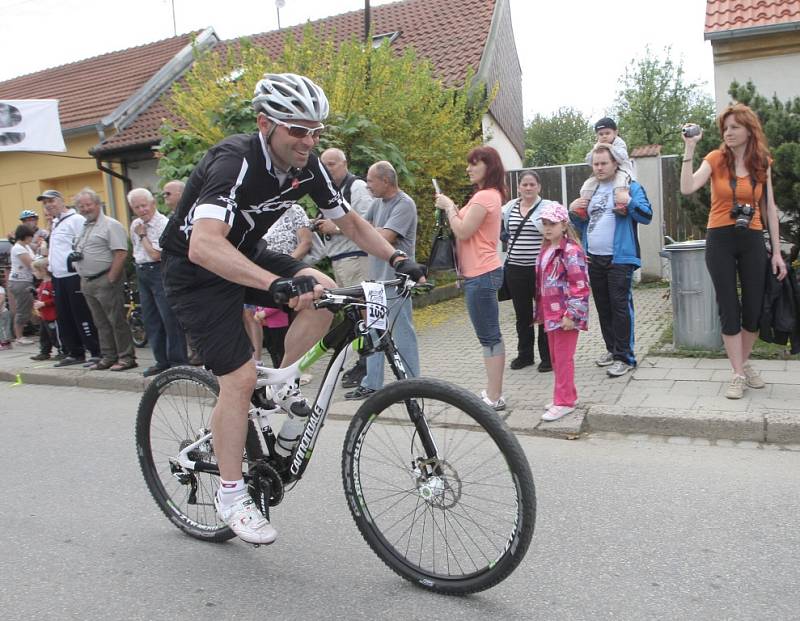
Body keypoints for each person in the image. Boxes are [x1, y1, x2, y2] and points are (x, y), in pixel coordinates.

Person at [158, 73, 425, 545]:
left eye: (316, 131)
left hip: (245, 251)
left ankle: (281, 381)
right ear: (265, 124)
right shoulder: (234, 161)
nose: (308, 140)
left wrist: (397, 257)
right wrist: (275, 285)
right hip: (196, 270)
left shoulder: (308, 167)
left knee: (323, 289)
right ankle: (231, 494)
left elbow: (351, 222)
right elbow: (203, 245)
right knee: (238, 378)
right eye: (297, 130)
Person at [680, 103, 787, 399]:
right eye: (725, 128)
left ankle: (741, 363)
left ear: (749, 130)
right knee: (729, 307)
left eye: (735, 127)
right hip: (720, 239)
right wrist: (689, 149)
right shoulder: (715, 158)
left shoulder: (762, 161)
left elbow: (769, 208)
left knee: (753, 308)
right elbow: (688, 188)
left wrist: (776, 252)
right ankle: (738, 374)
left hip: (752, 238)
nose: (728, 132)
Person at [569, 143, 652, 377]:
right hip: (593, 258)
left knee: (619, 306)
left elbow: (646, 215)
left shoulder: (630, 187)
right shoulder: (590, 190)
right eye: (596, 164)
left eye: (604, 163)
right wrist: (574, 212)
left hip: (620, 258)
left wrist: (629, 201)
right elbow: (583, 224)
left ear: (615, 162)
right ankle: (612, 350)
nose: (599, 167)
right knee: (604, 307)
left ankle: (626, 357)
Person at [435, 146, 507, 410]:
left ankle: (495, 396)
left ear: (489, 166)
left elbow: (464, 231)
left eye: (473, 164)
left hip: (482, 274)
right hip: (479, 274)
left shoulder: (485, 197)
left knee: (489, 337)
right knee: (489, 335)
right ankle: (494, 392)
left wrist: (449, 207)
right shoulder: (486, 195)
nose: (468, 168)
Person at [344, 160, 421, 400]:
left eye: (370, 180)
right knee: (374, 332)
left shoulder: (404, 204)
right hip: (377, 282)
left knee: (402, 332)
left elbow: (385, 236)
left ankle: (412, 384)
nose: (367, 185)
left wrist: (348, 230)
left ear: (386, 181)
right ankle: (372, 383)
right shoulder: (377, 203)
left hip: (397, 282)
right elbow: (361, 227)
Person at [318, 148, 372, 388]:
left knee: (362, 311)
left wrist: (335, 228)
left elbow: (369, 222)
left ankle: (368, 364)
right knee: (354, 312)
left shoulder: (357, 187)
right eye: (324, 165)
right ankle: (365, 361)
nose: (328, 169)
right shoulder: (330, 191)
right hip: (340, 258)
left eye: (332, 164)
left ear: (344, 164)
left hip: (356, 257)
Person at [534, 203, 590, 422]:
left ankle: (564, 402)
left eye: (552, 224)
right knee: (556, 358)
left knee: (564, 359)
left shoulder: (571, 251)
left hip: (565, 315)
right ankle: (566, 395)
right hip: (550, 313)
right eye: (545, 224)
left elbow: (580, 285)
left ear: (564, 225)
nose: (547, 228)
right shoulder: (546, 249)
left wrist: (572, 315)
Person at [72, 188, 137, 371]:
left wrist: (111, 278)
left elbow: (121, 253)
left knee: (116, 320)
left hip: (105, 278)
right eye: (81, 206)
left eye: (88, 204)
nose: (85, 208)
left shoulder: (110, 224)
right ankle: (108, 356)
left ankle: (126, 357)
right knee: (100, 322)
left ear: (98, 204)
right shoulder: (84, 226)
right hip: (88, 281)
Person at [128, 188, 188, 377]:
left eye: (144, 205)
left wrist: (143, 235)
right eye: (137, 207)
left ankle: (178, 362)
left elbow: (156, 254)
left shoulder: (163, 223)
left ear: (152, 203)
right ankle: (161, 361)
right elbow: (136, 251)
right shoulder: (135, 224)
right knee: (151, 318)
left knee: (168, 317)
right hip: (142, 270)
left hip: (159, 270)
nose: (141, 210)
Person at [37, 189, 101, 367]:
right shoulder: (56, 223)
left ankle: (95, 351)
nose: (48, 205)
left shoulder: (75, 220)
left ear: (61, 201)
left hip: (73, 275)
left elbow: (84, 243)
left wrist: (73, 262)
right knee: (64, 316)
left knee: (81, 314)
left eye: (51, 201)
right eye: (45, 203)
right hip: (58, 276)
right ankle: (75, 352)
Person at [500, 170, 552, 372]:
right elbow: (503, 231)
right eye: (525, 184)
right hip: (515, 269)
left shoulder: (547, 207)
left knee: (544, 314)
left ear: (539, 187)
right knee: (522, 315)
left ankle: (547, 357)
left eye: (532, 184)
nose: (528, 188)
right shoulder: (509, 207)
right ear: (519, 187)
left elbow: (556, 230)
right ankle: (525, 355)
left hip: (541, 269)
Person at [579, 117, 635, 209]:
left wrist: (609, 147)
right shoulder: (598, 145)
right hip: (602, 175)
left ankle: (621, 205)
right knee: (588, 184)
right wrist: (595, 150)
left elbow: (621, 158)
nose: (604, 136)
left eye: (607, 133)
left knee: (620, 183)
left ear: (615, 133)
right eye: (601, 134)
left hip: (622, 171)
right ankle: (582, 207)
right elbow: (589, 160)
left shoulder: (619, 143)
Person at [8, 224, 36, 345]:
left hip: (26, 280)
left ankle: (20, 335)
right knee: (22, 309)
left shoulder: (26, 246)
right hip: (20, 281)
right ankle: (19, 337)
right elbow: (31, 263)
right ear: (25, 236)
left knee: (27, 308)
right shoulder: (18, 248)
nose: (31, 239)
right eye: (30, 236)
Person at [30, 257, 62, 361]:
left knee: (55, 334)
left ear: (43, 271)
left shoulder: (51, 284)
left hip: (52, 315)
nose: (33, 273)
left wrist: (43, 303)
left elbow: (55, 299)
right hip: (44, 315)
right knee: (44, 335)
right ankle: (44, 352)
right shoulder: (42, 283)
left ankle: (62, 351)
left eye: (35, 271)